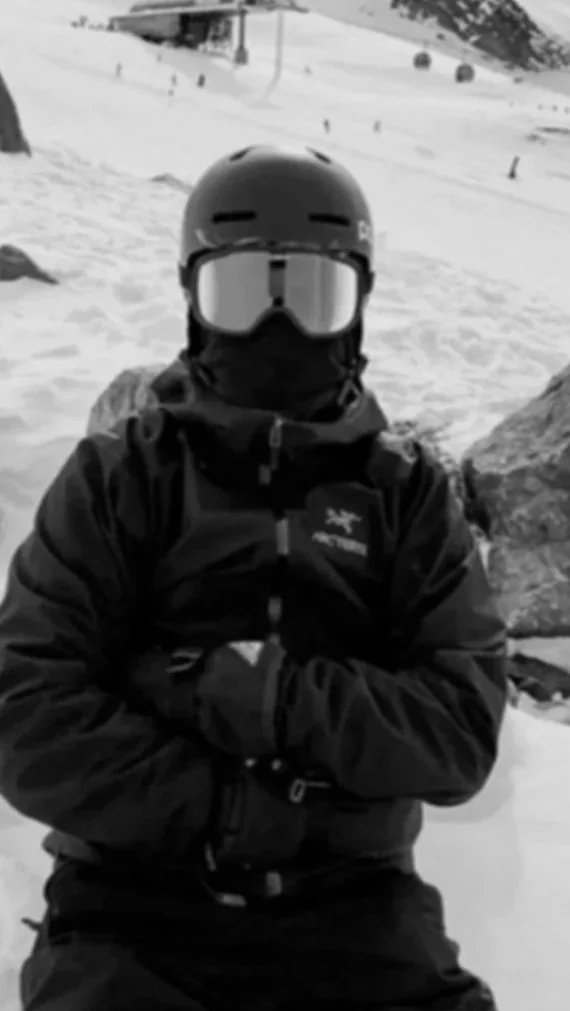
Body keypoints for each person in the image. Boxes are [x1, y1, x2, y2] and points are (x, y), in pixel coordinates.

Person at [0, 144, 507, 1011]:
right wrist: (227, 808)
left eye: (313, 294)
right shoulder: (125, 476)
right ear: (194, 303)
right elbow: (25, 713)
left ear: (357, 309)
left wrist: (266, 698)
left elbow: (460, 727)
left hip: (357, 914)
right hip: (132, 913)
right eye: (241, 293)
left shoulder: (405, 494)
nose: (276, 329)